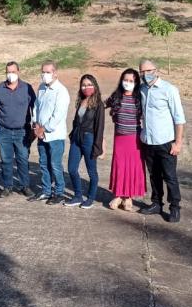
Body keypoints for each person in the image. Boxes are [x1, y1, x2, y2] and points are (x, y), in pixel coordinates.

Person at [138, 59, 186, 223]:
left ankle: (174, 207)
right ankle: (157, 203)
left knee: (170, 176)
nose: (145, 75)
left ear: (156, 70)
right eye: (142, 72)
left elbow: (179, 118)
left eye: (148, 71)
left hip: (166, 142)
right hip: (148, 142)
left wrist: (178, 143)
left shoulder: (169, 90)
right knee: (154, 175)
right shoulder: (142, 89)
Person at [0, 61, 37, 198]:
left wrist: (35, 127)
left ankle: (25, 186)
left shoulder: (27, 88)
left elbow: (34, 108)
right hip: (3, 131)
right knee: (6, 160)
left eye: (13, 72)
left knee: (23, 159)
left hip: (22, 132)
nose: (11, 74)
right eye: (8, 72)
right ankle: (7, 186)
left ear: (19, 72)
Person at [29, 60, 70, 205]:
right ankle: (46, 190)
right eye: (43, 72)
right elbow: (36, 108)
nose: (45, 75)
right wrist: (35, 124)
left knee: (55, 165)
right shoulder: (41, 88)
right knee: (43, 164)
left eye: (48, 72)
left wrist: (43, 129)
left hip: (54, 136)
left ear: (55, 73)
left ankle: (59, 192)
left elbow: (57, 116)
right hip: (40, 133)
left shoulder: (61, 91)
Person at [105, 69, 145, 211]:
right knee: (120, 166)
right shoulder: (116, 96)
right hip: (119, 139)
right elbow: (101, 105)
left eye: (131, 81)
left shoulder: (140, 98)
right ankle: (118, 195)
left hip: (134, 139)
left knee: (131, 167)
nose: (127, 83)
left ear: (136, 83)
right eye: (125, 80)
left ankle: (128, 197)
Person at [65, 74, 105, 209]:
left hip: (89, 138)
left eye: (89, 84)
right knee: (71, 168)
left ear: (94, 85)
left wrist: (97, 146)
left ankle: (90, 198)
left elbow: (100, 127)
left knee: (91, 171)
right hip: (77, 137)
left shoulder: (98, 104)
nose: (86, 87)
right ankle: (77, 196)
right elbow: (77, 121)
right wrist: (72, 135)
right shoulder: (81, 100)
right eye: (83, 85)